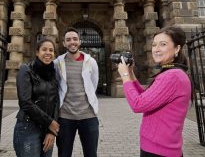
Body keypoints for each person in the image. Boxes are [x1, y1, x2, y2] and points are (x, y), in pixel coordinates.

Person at [117, 26, 192, 157]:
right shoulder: (171, 73)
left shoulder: (172, 76)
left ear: (177, 48)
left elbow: (138, 104)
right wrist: (130, 74)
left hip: (159, 151)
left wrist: (124, 75)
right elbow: (145, 98)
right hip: (157, 148)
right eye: (154, 45)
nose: (156, 49)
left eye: (163, 44)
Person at [54, 27, 99, 157]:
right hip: (65, 117)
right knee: (64, 154)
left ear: (79, 42)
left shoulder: (91, 62)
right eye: (68, 40)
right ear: (64, 43)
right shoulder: (57, 63)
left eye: (74, 39)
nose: (72, 42)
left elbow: (93, 84)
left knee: (91, 154)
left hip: (88, 116)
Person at [13, 38, 60, 157]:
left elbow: (56, 101)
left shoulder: (53, 74)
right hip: (28, 127)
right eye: (44, 49)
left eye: (51, 50)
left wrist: (51, 130)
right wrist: (50, 122)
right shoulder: (26, 70)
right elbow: (25, 102)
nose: (48, 53)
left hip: (47, 129)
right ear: (37, 52)